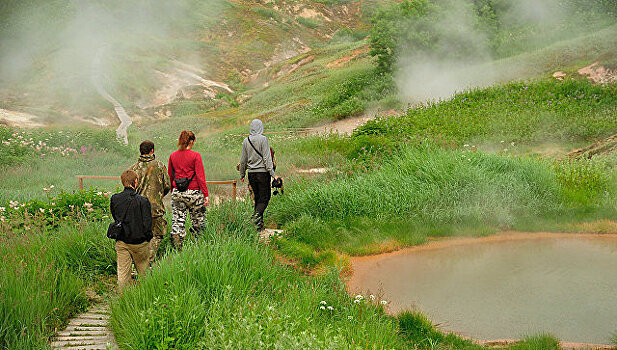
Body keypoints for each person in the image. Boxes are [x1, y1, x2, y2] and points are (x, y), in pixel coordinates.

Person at [110, 170, 153, 292]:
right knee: (144, 273)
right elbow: (147, 224)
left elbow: (116, 217)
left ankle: (124, 300)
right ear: (136, 181)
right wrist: (148, 238)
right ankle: (145, 296)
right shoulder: (143, 201)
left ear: (123, 182)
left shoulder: (115, 199)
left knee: (123, 274)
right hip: (140, 243)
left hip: (122, 241)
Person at [130, 140, 170, 264]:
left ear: (140, 151)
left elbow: (129, 190)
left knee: (139, 238)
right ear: (152, 151)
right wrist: (158, 196)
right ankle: (148, 263)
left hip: (137, 211)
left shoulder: (133, 168)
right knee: (157, 236)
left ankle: (136, 266)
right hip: (155, 209)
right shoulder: (159, 166)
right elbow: (167, 185)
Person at [168, 130, 209, 250]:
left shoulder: (173, 156)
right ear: (191, 141)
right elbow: (200, 177)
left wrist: (172, 190)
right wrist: (205, 194)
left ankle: (177, 248)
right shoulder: (196, 156)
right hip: (194, 192)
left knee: (177, 220)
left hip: (177, 192)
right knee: (198, 221)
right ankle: (198, 247)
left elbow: (171, 175)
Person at [238, 119, 279, 231]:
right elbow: (267, 159)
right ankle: (254, 219)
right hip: (263, 174)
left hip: (251, 174)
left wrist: (242, 174)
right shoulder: (263, 139)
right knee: (265, 199)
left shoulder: (246, 140)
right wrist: (273, 174)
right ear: (261, 127)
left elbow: (243, 160)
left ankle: (259, 226)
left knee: (257, 199)